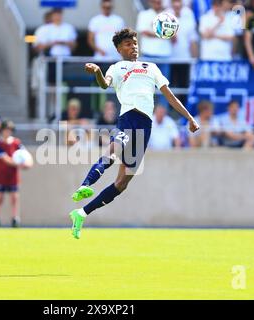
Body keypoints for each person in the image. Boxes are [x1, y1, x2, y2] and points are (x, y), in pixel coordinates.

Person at [69, 28, 199, 239]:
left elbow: (170, 96)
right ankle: (85, 185)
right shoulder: (118, 67)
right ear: (119, 49)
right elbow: (105, 85)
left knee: (122, 184)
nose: (133, 47)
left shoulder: (152, 68)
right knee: (112, 153)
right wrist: (97, 73)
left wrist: (190, 118)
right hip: (128, 118)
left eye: (135, 43)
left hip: (144, 127)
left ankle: (81, 213)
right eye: (128, 44)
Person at [0, 120, 30, 228]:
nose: (7, 132)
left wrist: (28, 163)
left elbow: (25, 154)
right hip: (1, 174)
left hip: (13, 175)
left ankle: (15, 218)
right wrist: (19, 164)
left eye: (9, 130)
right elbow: (5, 158)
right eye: (5, 130)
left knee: (14, 197)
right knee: (0, 197)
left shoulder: (16, 143)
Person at [136, 0, 172, 77]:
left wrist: (156, 32)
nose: (157, 3)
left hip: (164, 54)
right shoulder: (144, 14)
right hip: (148, 53)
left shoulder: (169, 15)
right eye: (155, 1)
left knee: (164, 84)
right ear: (150, 2)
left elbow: (173, 34)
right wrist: (163, 34)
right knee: (147, 83)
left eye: (159, 1)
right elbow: (144, 32)